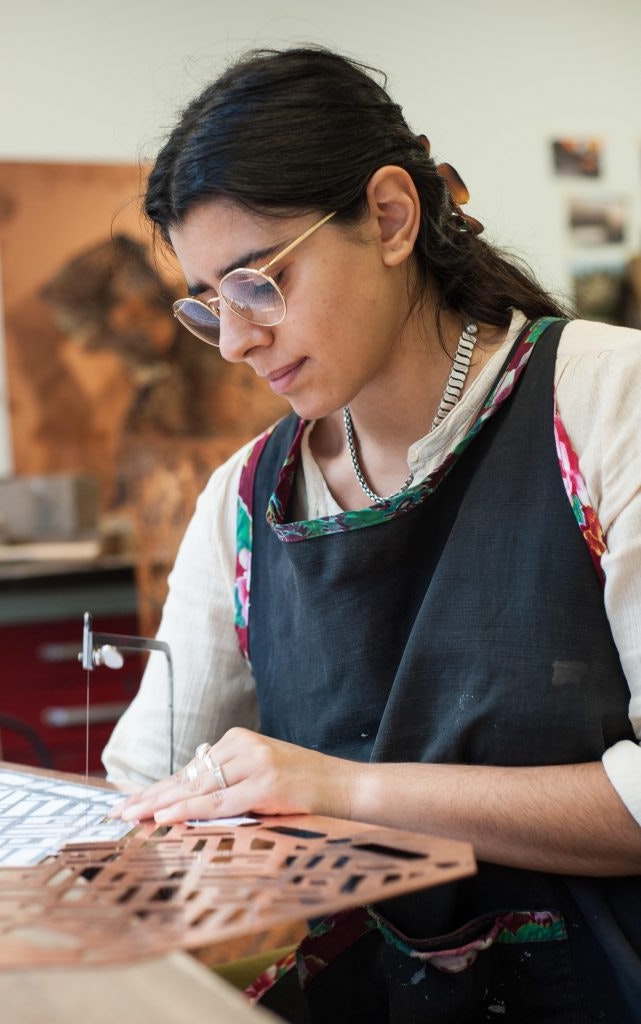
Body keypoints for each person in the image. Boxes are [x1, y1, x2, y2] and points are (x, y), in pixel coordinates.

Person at [104, 46, 641, 1022]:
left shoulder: (606, 402)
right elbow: (150, 779)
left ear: (390, 217)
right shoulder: (245, 496)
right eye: (207, 303)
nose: (234, 340)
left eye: (258, 281)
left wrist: (337, 788)